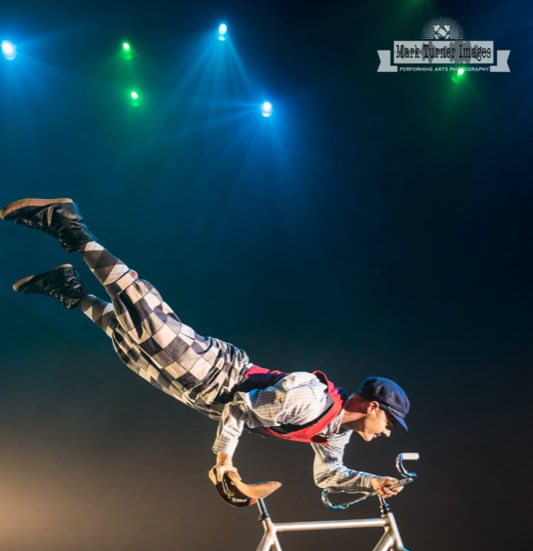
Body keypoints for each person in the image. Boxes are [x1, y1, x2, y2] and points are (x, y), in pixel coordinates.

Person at [1, 197, 409, 498]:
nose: (387, 432)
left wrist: (373, 483)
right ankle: (68, 224)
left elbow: (328, 476)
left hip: (202, 396)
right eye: (389, 423)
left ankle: (70, 290)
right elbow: (241, 408)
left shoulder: (335, 433)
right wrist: (224, 459)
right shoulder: (311, 398)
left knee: (130, 343)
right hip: (215, 372)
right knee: (145, 315)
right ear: (373, 407)